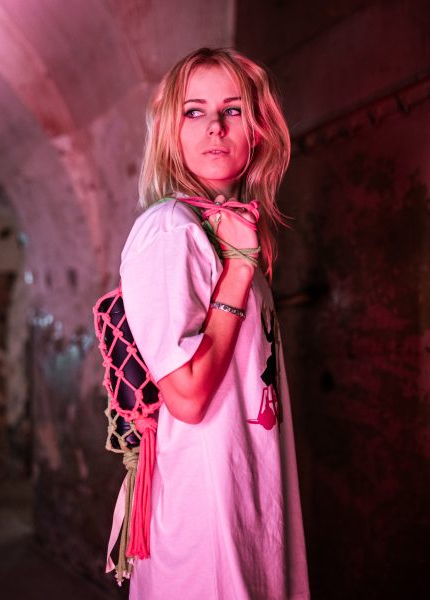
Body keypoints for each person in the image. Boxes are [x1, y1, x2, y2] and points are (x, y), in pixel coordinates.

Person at [118, 47, 310, 600]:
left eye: (233, 110)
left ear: (257, 127)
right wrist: (238, 272)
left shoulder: (228, 231)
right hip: (203, 522)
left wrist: (244, 261)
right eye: (194, 111)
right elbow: (187, 396)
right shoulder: (171, 229)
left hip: (248, 500)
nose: (215, 128)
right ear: (171, 131)